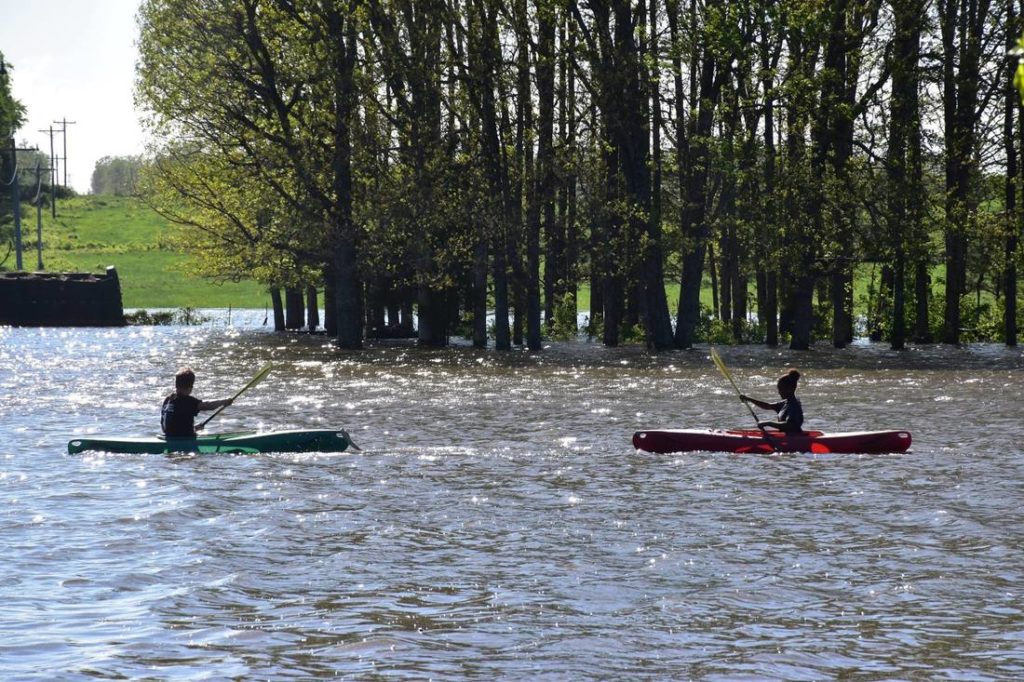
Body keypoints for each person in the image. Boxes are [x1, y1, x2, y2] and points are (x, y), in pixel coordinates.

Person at [161, 367, 234, 437]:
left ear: (176, 385)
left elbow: (174, 424)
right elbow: (208, 406)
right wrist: (224, 402)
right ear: (190, 388)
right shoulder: (189, 401)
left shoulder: (168, 400)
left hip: (168, 436)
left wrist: (195, 428)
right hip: (185, 439)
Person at [740, 368, 804, 433]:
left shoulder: (794, 404)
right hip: (785, 438)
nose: (779, 392)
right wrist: (748, 399)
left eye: (781, 389)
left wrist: (768, 423)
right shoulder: (786, 402)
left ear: (790, 389)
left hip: (793, 439)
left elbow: (790, 425)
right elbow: (768, 406)